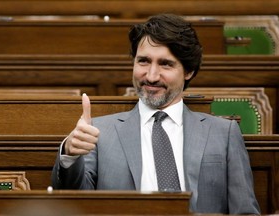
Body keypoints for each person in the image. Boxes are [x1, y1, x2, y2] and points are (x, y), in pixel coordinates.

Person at [52, 13, 260, 214]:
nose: (151, 76)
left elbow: (244, 211)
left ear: (189, 71)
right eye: (143, 61)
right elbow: (74, 204)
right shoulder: (97, 133)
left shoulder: (223, 133)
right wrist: (70, 154)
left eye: (165, 64)